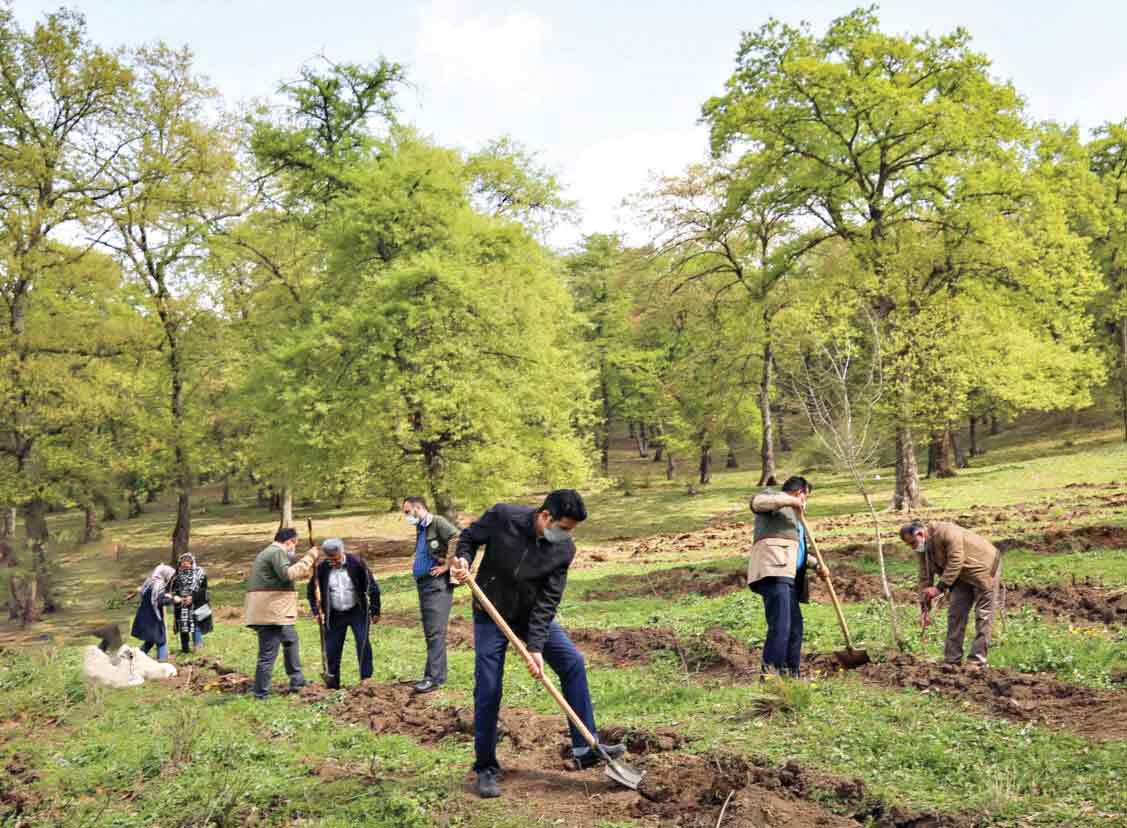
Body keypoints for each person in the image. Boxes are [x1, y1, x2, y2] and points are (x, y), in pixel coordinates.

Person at [450, 489, 625, 799]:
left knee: (572, 663)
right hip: (490, 612)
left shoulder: (563, 551)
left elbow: (548, 601)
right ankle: (486, 768)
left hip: (530, 615)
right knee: (489, 687)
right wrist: (463, 559)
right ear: (546, 516)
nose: (568, 536)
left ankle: (585, 747)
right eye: (565, 528)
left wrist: (535, 646)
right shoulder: (503, 517)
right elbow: (469, 538)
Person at [747, 475, 830, 678]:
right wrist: (793, 501)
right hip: (774, 570)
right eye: (805, 497)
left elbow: (798, 551)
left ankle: (791, 673)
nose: (805, 502)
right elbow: (756, 502)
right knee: (781, 626)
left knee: (794, 627)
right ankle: (770, 676)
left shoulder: (797, 520)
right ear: (800, 492)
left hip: (791, 576)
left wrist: (817, 565)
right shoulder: (772, 499)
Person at [899, 520, 1002, 672]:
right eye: (909, 545)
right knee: (956, 613)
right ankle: (952, 661)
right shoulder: (923, 548)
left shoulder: (947, 532)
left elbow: (956, 560)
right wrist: (925, 607)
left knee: (983, 615)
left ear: (920, 533)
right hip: (960, 576)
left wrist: (939, 588)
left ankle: (976, 662)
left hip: (983, 569)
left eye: (913, 543)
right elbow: (924, 576)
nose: (913, 547)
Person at [244, 527, 320, 698]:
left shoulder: (269, 553)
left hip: (274, 612)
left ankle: (297, 680)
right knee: (268, 653)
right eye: (295, 544)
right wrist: (309, 557)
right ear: (289, 542)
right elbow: (288, 574)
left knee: (290, 640)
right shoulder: (276, 552)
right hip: (270, 614)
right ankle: (260, 693)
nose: (295, 549)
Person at [306, 538, 381, 689]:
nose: (332, 562)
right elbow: (311, 592)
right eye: (329, 559)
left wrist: (375, 609)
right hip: (334, 615)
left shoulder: (357, 563)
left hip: (357, 611)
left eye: (335, 558)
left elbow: (372, 586)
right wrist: (316, 611)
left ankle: (366, 679)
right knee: (332, 648)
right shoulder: (321, 569)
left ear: (341, 552)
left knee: (363, 643)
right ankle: (333, 681)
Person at [403, 496, 460, 694]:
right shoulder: (421, 527)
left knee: (435, 631)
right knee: (431, 631)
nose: (406, 516)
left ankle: (434, 678)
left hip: (436, 585)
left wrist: (447, 565)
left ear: (418, 508)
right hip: (425, 585)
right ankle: (433, 674)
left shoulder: (437, 522)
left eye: (407, 512)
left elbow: (456, 538)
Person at [131, 564, 176, 661]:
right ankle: (162, 660)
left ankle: (137, 657)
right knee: (161, 639)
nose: (172, 579)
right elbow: (159, 601)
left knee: (151, 639)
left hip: (144, 614)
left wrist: (166, 595)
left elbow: (149, 595)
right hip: (153, 616)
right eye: (171, 576)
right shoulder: (159, 585)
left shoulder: (149, 582)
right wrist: (173, 600)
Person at [169, 552, 212, 654]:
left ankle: (198, 646)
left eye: (187, 562)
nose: (184, 564)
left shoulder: (199, 574)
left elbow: (204, 590)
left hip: (196, 604)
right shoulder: (176, 575)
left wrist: (192, 597)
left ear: (192, 562)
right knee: (183, 626)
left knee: (196, 624)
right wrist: (176, 597)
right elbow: (172, 590)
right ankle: (185, 649)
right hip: (181, 605)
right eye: (183, 562)